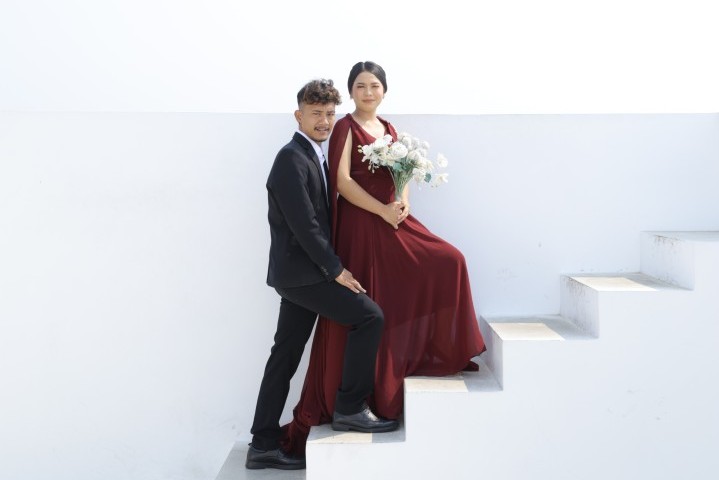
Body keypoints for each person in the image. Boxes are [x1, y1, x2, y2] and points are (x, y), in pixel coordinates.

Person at [282, 62, 486, 454]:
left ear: (384, 91)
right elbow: (341, 182)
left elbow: (401, 177)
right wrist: (380, 210)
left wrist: (402, 204)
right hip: (361, 225)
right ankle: (356, 398)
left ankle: (425, 355)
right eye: (360, 86)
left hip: (391, 220)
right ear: (351, 92)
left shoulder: (390, 129)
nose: (368, 92)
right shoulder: (344, 126)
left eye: (374, 85)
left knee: (450, 260)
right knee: (367, 304)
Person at [246, 78, 398, 471]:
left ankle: (262, 444)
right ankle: (350, 407)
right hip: (305, 275)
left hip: (298, 275)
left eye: (330, 113)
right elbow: (304, 225)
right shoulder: (290, 159)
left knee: (284, 357)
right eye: (316, 113)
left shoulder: (313, 154)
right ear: (298, 115)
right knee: (370, 317)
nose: (325, 121)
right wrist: (336, 270)